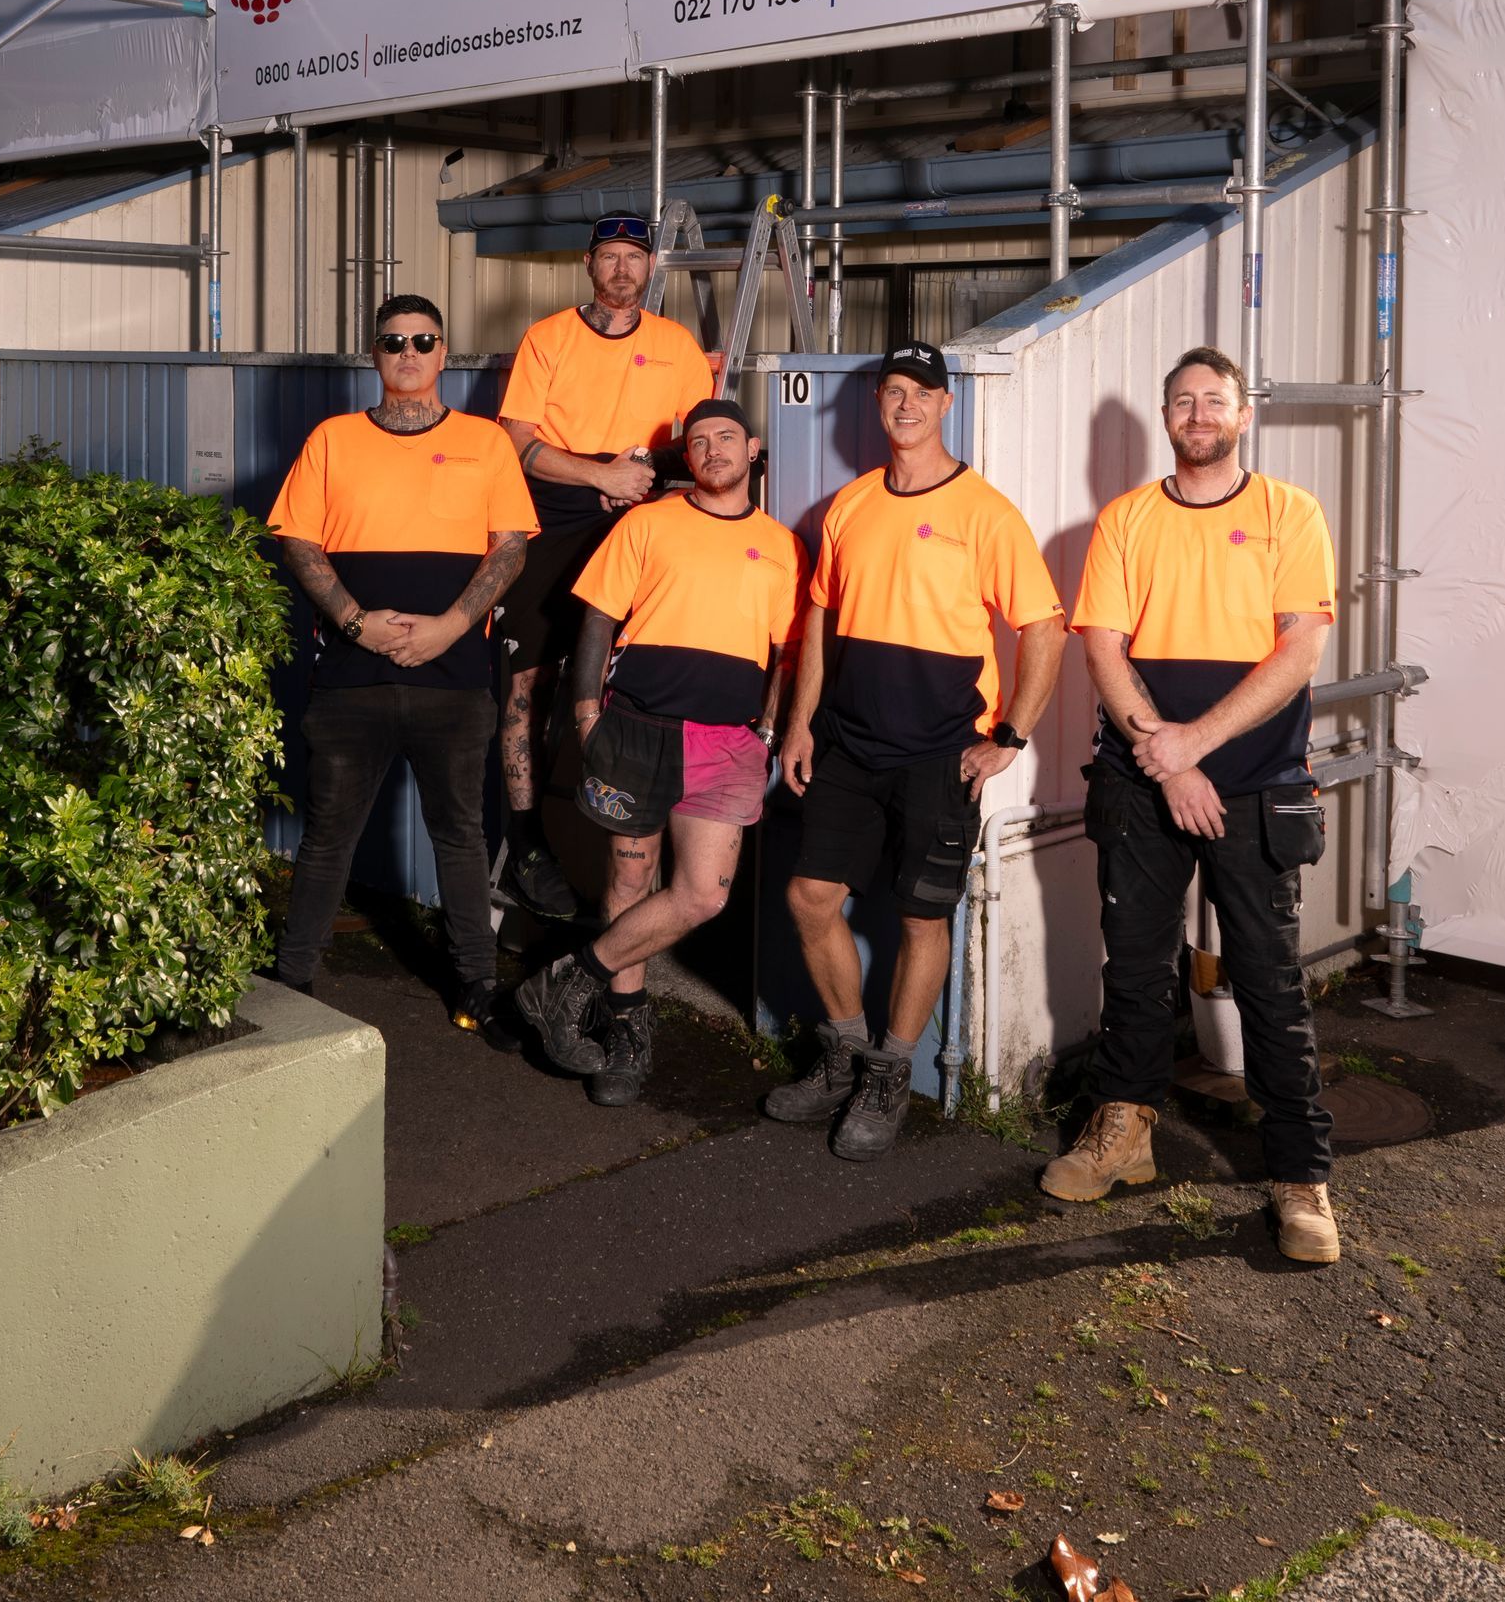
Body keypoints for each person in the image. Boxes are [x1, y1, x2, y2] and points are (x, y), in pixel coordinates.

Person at [1042, 345, 1341, 1263]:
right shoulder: (1127, 520)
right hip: (1141, 782)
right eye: (1183, 400)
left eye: (1215, 400)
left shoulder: (1291, 512)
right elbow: (1101, 645)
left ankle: (1300, 1177)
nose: (1199, 413)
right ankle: (1124, 1132)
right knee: (1133, 966)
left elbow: (1298, 654)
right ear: (1167, 419)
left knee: (1268, 980)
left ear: (1243, 416)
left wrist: (1196, 746)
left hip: (1256, 787)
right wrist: (1167, 763)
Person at [766, 344, 1067, 1160]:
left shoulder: (986, 513)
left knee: (921, 915)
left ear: (945, 406)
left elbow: (1043, 626)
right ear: (878, 403)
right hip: (848, 746)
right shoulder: (849, 506)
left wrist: (1011, 735)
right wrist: (800, 724)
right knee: (810, 897)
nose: (905, 405)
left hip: (941, 753)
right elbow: (819, 621)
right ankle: (843, 1055)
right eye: (892, 391)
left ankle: (891, 1074)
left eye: (921, 392)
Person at [514, 398, 807, 1105]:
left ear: (753, 448)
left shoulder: (781, 545)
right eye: (697, 442)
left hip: (726, 742)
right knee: (629, 882)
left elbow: (787, 655)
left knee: (703, 894)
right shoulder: (648, 523)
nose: (712, 451)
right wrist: (586, 719)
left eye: (725, 438)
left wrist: (767, 732)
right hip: (635, 729)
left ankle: (564, 979)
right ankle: (625, 1036)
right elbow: (598, 619)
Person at [266, 293, 537, 1044]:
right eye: (393, 342)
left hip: (453, 682)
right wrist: (358, 623)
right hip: (352, 681)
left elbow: (511, 546)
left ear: (444, 353)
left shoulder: (485, 444)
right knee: (328, 840)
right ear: (375, 356)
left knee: (460, 839)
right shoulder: (333, 439)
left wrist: (451, 626)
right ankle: (291, 988)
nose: (409, 354)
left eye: (424, 341)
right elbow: (298, 542)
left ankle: (477, 989)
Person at [494, 212, 715, 919]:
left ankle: (620, 848)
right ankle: (527, 844)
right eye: (609, 257)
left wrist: (647, 471)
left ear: (651, 269)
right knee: (529, 681)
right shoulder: (548, 337)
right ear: (589, 265)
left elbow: (695, 440)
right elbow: (517, 440)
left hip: (637, 509)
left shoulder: (676, 344)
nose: (622, 269)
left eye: (634, 258)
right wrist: (598, 476)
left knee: (625, 682)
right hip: (556, 509)